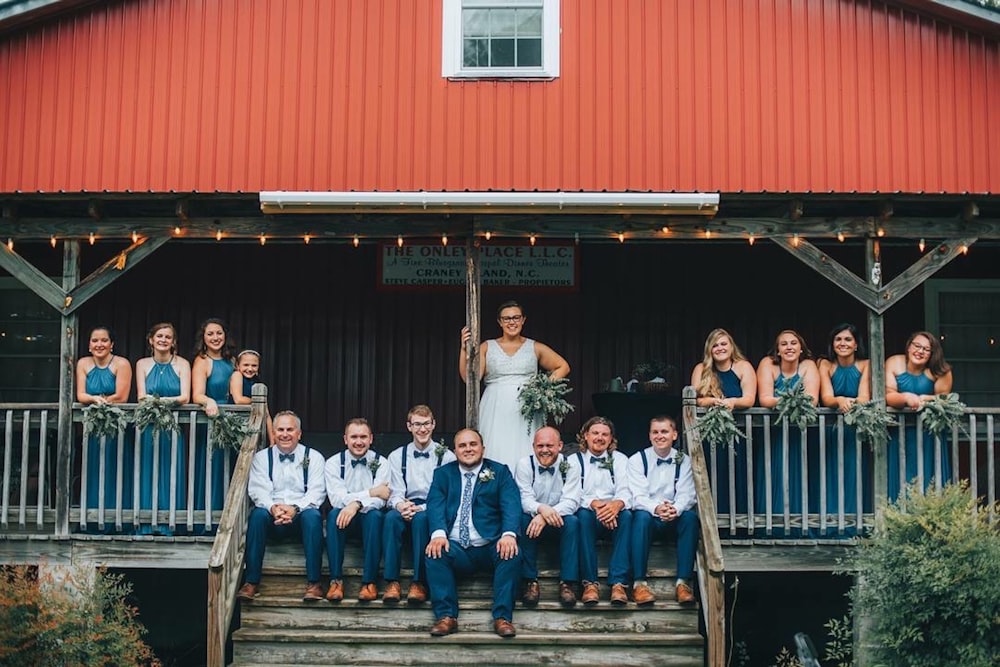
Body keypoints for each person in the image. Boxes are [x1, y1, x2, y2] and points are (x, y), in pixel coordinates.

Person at [424, 428, 522, 638]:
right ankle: (446, 616)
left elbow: (511, 505)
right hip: (456, 546)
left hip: (489, 544)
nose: (468, 449)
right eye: (462, 445)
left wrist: (508, 535)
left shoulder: (500, 471)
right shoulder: (443, 474)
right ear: (455, 450)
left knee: (512, 553)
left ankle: (502, 617)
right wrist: (439, 534)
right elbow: (435, 505)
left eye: (473, 444)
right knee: (435, 552)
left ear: (482, 448)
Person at [459, 300, 570, 470]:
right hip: (495, 405)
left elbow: (563, 366)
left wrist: (541, 389)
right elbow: (470, 379)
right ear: (499, 322)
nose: (512, 322)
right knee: (495, 441)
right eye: (507, 318)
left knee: (525, 443)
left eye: (516, 317)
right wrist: (464, 350)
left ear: (523, 320)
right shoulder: (487, 347)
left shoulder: (534, 347)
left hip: (525, 407)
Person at [238, 411, 326, 602]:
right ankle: (251, 582)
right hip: (273, 516)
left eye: (290, 429)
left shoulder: (314, 457)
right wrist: (273, 508)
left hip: (300, 517)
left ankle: (314, 583)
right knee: (257, 516)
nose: (285, 434)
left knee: (313, 517)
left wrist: (295, 508)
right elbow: (258, 490)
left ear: (299, 433)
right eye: (280, 430)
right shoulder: (262, 458)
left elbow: (316, 492)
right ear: (274, 432)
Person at [382, 405, 456, 605]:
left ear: (433, 425)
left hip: (432, 507)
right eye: (417, 424)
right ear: (409, 426)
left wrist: (422, 508)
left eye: (426, 424)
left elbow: (447, 495)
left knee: (422, 520)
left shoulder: (447, 456)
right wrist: (400, 506)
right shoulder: (397, 456)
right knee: (390, 519)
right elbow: (394, 491)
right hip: (405, 504)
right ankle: (392, 581)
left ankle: (419, 582)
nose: (422, 429)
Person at [627, 416, 699, 606]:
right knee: (640, 517)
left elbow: (687, 494)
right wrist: (657, 508)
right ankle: (639, 584)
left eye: (664, 431)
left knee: (690, 518)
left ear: (674, 435)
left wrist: (675, 509)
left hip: (674, 516)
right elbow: (637, 496)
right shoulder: (637, 460)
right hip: (650, 517)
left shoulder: (684, 461)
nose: (660, 436)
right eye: (655, 432)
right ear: (649, 436)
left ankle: (683, 583)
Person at [755, 329, 820, 529]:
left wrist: (782, 401)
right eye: (784, 344)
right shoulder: (767, 364)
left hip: (801, 432)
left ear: (801, 349)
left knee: (802, 474)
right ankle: (771, 524)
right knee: (774, 474)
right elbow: (765, 399)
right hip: (772, 432)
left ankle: (801, 524)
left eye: (793, 343)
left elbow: (812, 399)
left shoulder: (808, 365)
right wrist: (792, 401)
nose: (789, 347)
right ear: (778, 350)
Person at [690, 328, 757, 516]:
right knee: (712, 476)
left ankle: (740, 523)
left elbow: (750, 399)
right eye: (715, 345)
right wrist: (712, 401)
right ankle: (712, 523)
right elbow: (695, 399)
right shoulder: (701, 369)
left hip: (738, 434)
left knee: (738, 475)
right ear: (709, 349)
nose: (720, 348)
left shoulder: (743, 367)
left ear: (731, 346)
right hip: (709, 434)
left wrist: (732, 402)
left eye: (723, 344)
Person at [514, 426, 582, 608]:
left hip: (558, 520)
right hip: (533, 519)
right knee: (522, 519)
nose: (545, 450)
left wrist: (545, 516)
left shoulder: (571, 465)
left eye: (550, 446)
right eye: (540, 446)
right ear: (533, 446)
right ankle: (530, 581)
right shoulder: (524, 464)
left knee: (574, 522)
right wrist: (541, 509)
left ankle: (567, 582)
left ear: (560, 446)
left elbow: (572, 501)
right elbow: (524, 498)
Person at [324, 418, 390, 603]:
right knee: (333, 515)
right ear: (345, 439)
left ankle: (369, 582)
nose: (358, 441)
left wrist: (356, 504)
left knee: (375, 516)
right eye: (354, 437)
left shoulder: (382, 463)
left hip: (368, 519)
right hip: (344, 519)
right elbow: (337, 498)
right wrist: (369, 493)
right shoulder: (333, 463)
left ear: (371, 439)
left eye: (363, 437)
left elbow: (381, 499)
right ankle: (335, 580)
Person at [134, 322, 191, 535]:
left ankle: (170, 523)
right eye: (159, 336)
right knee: (147, 469)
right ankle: (146, 523)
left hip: (172, 426)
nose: (163, 340)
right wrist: (167, 400)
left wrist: (157, 401)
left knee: (171, 470)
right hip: (148, 425)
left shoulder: (182, 364)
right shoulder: (142, 364)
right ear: (151, 340)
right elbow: (141, 396)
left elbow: (185, 397)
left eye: (168, 337)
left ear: (173, 342)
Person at [76, 326, 133, 529]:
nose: (99, 344)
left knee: (113, 467)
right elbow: (81, 395)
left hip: (115, 426)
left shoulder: (121, 364)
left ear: (112, 344)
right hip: (92, 428)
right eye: (95, 341)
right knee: (92, 469)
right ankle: (92, 520)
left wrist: (104, 401)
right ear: (89, 345)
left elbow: (122, 396)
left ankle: (116, 521)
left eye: (104, 340)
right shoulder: (83, 363)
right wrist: (93, 399)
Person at [885, 331, 954, 499]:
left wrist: (927, 398)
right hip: (898, 432)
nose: (920, 351)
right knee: (900, 474)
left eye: (926, 349)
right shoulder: (894, 362)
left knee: (929, 476)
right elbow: (886, 394)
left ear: (932, 354)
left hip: (928, 434)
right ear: (909, 346)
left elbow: (944, 400)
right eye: (917, 346)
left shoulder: (941, 371)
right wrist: (906, 397)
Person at [574, 416, 632, 606]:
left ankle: (618, 583)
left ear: (611, 438)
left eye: (605, 434)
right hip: (589, 513)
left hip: (614, 515)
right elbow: (572, 494)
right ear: (586, 436)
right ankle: (590, 583)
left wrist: (615, 506)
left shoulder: (621, 459)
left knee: (628, 516)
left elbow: (625, 489)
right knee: (581, 517)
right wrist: (596, 505)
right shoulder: (574, 461)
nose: (600, 437)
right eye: (595, 433)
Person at [818, 323, 871, 526]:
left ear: (856, 344)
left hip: (856, 430)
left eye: (848, 339)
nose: (843, 343)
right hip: (831, 430)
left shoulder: (866, 364)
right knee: (829, 473)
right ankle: (830, 523)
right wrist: (840, 401)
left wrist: (848, 402)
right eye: (838, 339)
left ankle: (854, 523)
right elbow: (826, 397)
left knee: (854, 473)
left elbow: (865, 397)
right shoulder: (825, 365)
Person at [191, 318, 237, 520]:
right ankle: (209, 519)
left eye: (219, 333)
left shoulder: (232, 361)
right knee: (213, 468)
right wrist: (209, 402)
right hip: (212, 420)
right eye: (210, 334)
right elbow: (197, 394)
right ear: (203, 338)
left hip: (232, 422)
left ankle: (231, 516)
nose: (215, 338)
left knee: (232, 467)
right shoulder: (202, 361)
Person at [230, 349, 274, 445]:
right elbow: (238, 400)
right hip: (235, 426)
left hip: (252, 429)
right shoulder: (237, 375)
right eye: (246, 365)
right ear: (238, 366)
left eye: (254, 366)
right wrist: (257, 401)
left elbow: (266, 414)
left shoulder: (258, 383)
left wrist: (272, 441)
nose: (250, 369)